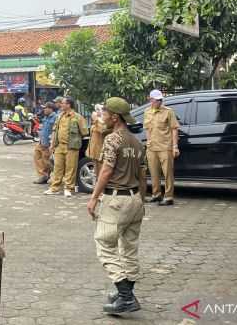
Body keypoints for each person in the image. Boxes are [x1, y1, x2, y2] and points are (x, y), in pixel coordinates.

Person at [86, 97, 146, 315]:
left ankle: (126, 296)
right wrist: (142, 200)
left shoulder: (113, 139)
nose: (102, 115)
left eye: (104, 112)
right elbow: (142, 175)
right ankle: (125, 293)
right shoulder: (137, 142)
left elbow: (106, 171)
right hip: (135, 200)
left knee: (104, 244)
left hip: (117, 200)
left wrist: (93, 197)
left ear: (115, 117)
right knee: (129, 249)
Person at [45, 96, 88, 197]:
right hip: (59, 146)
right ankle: (55, 188)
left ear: (68, 105)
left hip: (71, 147)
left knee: (70, 168)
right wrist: (52, 144)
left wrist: (75, 138)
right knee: (57, 168)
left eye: (63, 103)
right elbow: (55, 130)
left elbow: (84, 132)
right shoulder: (60, 116)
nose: (61, 105)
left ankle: (69, 188)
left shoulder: (77, 117)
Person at [142, 90, 179, 205]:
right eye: (156, 100)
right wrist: (148, 142)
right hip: (152, 147)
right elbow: (147, 129)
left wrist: (175, 146)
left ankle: (168, 197)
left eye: (160, 100)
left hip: (165, 146)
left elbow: (174, 129)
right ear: (151, 100)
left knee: (168, 173)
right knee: (153, 173)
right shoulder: (147, 112)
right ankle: (156, 194)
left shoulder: (168, 112)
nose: (159, 101)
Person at [34, 102, 57, 184]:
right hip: (41, 142)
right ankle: (43, 176)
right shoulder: (46, 117)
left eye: (45, 108)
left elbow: (55, 131)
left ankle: (56, 174)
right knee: (37, 157)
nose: (44, 110)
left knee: (47, 161)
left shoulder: (55, 117)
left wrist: (52, 144)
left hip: (48, 143)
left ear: (50, 109)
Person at [86, 104, 108, 178]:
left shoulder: (103, 121)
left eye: (99, 110)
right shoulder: (96, 122)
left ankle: (101, 188)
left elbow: (102, 130)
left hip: (101, 151)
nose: (97, 111)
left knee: (101, 172)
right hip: (94, 151)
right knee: (96, 173)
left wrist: (97, 119)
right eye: (96, 110)